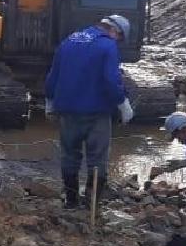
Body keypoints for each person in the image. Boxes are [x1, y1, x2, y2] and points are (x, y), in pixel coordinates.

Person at [45, 14, 135, 208]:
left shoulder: (69, 40)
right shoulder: (107, 46)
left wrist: (49, 99)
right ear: (115, 31)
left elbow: (53, 74)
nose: (117, 42)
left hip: (68, 111)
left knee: (69, 156)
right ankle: (91, 205)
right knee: (97, 159)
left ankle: (70, 202)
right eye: (119, 38)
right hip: (97, 112)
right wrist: (123, 103)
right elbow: (111, 80)